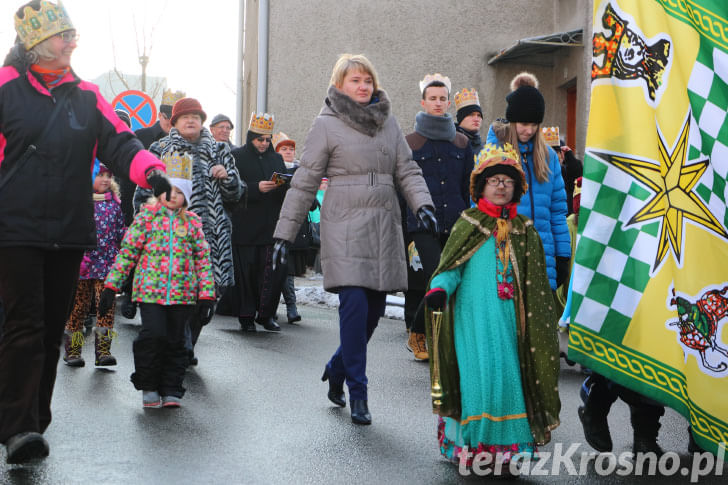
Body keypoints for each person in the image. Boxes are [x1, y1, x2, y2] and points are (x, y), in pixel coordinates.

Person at [0, 0, 169, 464]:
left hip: (70, 228)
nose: (72, 41)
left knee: (53, 327)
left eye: (72, 34)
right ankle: (18, 427)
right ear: (34, 44)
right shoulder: (5, 88)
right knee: (25, 324)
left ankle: (34, 420)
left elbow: (120, 142)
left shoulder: (87, 95)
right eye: (62, 35)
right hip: (13, 228)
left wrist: (152, 173)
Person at [271, 53, 436, 425]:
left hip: (384, 224)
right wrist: (283, 233)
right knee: (355, 308)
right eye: (354, 81)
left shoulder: (388, 123)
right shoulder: (326, 124)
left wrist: (421, 204)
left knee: (373, 313)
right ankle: (358, 394)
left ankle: (337, 366)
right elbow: (305, 181)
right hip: (344, 225)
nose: (362, 87)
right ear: (340, 85)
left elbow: (407, 169)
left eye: (367, 80)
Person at [424, 143, 560, 475]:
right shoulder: (468, 223)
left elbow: (537, 283)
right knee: (478, 380)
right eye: (494, 180)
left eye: (507, 181)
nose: (500, 186)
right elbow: (450, 267)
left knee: (509, 379)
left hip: (512, 324)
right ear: (481, 185)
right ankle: (474, 447)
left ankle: (509, 453)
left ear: (516, 187)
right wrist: (440, 289)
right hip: (472, 322)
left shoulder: (525, 230)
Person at [135, 97, 244, 365]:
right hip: (171, 239)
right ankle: (181, 345)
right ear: (175, 122)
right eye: (185, 117)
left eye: (196, 115)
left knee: (207, 298)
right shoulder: (160, 149)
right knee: (180, 293)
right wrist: (145, 229)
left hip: (212, 238)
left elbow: (236, 195)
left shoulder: (219, 150)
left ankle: (189, 340)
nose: (191, 120)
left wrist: (227, 178)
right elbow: (142, 194)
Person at [98, 178, 215, 409]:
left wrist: (207, 295)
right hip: (150, 292)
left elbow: (202, 260)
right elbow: (128, 252)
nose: (172, 196)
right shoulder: (146, 218)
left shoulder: (192, 223)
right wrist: (111, 286)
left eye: (179, 192)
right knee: (153, 336)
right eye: (168, 190)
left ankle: (171, 388)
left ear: (187, 197)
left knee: (176, 340)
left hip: (183, 294)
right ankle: (149, 385)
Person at [402, 73, 473, 362]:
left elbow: (468, 185)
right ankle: (418, 332)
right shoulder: (410, 143)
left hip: (455, 221)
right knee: (435, 278)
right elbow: (402, 186)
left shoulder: (461, 142)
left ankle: (441, 337)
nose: (438, 103)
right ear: (423, 102)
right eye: (433, 98)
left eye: (443, 98)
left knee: (453, 279)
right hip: (421, 224)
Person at [487, 72, 570, 293]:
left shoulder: (549, 158)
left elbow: (557, 210)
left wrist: (562, 254)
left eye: (535, 124)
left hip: (542, 254)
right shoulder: (495, 153)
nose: (529, 130)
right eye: (524, 123)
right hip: (503, 252)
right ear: (513, 121)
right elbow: (480, 208)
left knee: (536, 325)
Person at [230, 114, 289, 333]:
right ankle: (246, 316)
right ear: (250, 138)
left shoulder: (276, 159)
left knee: (270, 275)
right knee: (245, 274)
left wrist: (284, 184)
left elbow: (285, 186)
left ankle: (266, 315)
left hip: (271, 225)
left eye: (267, 139)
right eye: (259, 139)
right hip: (245, 225)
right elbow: (230, 188)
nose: (264, 144)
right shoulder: (236, 156)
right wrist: (255, 188)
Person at [63, 164, 125, 367]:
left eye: (108, 176)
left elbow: (118, 234)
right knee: (78, 308)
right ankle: (73, 351)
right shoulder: (80, 202)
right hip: (83, 265)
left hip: (107, 264)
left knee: (106, 307)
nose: (105, 179)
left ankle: (103, 352)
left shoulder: (114, 205)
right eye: (100, 175)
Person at [273, 132, 303, 323]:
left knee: (287, 268)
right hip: (275, 223)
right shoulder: (273, 170)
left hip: (295, 225)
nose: (288, 152)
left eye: (291, 149)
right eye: (284, 149)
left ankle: (289, 307)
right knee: (277, 267)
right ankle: (283, 307)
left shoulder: (301, 170)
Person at [542, 127, 583, 216]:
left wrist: (570, 157)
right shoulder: (538, 172)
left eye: (557, 153)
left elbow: (576, 178)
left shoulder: (564, 170)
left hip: (565, 215)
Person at [454, 88, 484, 156]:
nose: (476, 119)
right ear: (461, 118)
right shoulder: (450, 143)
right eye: (471, 115)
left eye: (479, 115)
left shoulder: (485, 149)